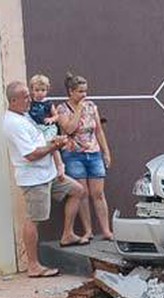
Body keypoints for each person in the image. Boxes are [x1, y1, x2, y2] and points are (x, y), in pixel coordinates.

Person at [3, 81, 86, 277]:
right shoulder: (12, 123)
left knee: (77, 191)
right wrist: (54, 147)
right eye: (25, 96)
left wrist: (54, 149)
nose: (29, 99)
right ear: (13, 100)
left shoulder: (23, 115)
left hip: (48, 173)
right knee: (34, 219)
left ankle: (67, 234)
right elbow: (31, 154)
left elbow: (39, 141)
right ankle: (33, 265)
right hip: (34, 180)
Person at [57, 73, 113, 241]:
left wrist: (106, 152)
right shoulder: (62, 109)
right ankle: (88, 231)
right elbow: (68, 129)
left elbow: (98, 131)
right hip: (73, 155)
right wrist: (79, 109)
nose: (84, 95)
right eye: (80, 91)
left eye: (85, 91)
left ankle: (106, 230)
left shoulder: (92, 106)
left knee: (98, 193)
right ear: (71, 92)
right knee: (82, 193)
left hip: (93, 153)